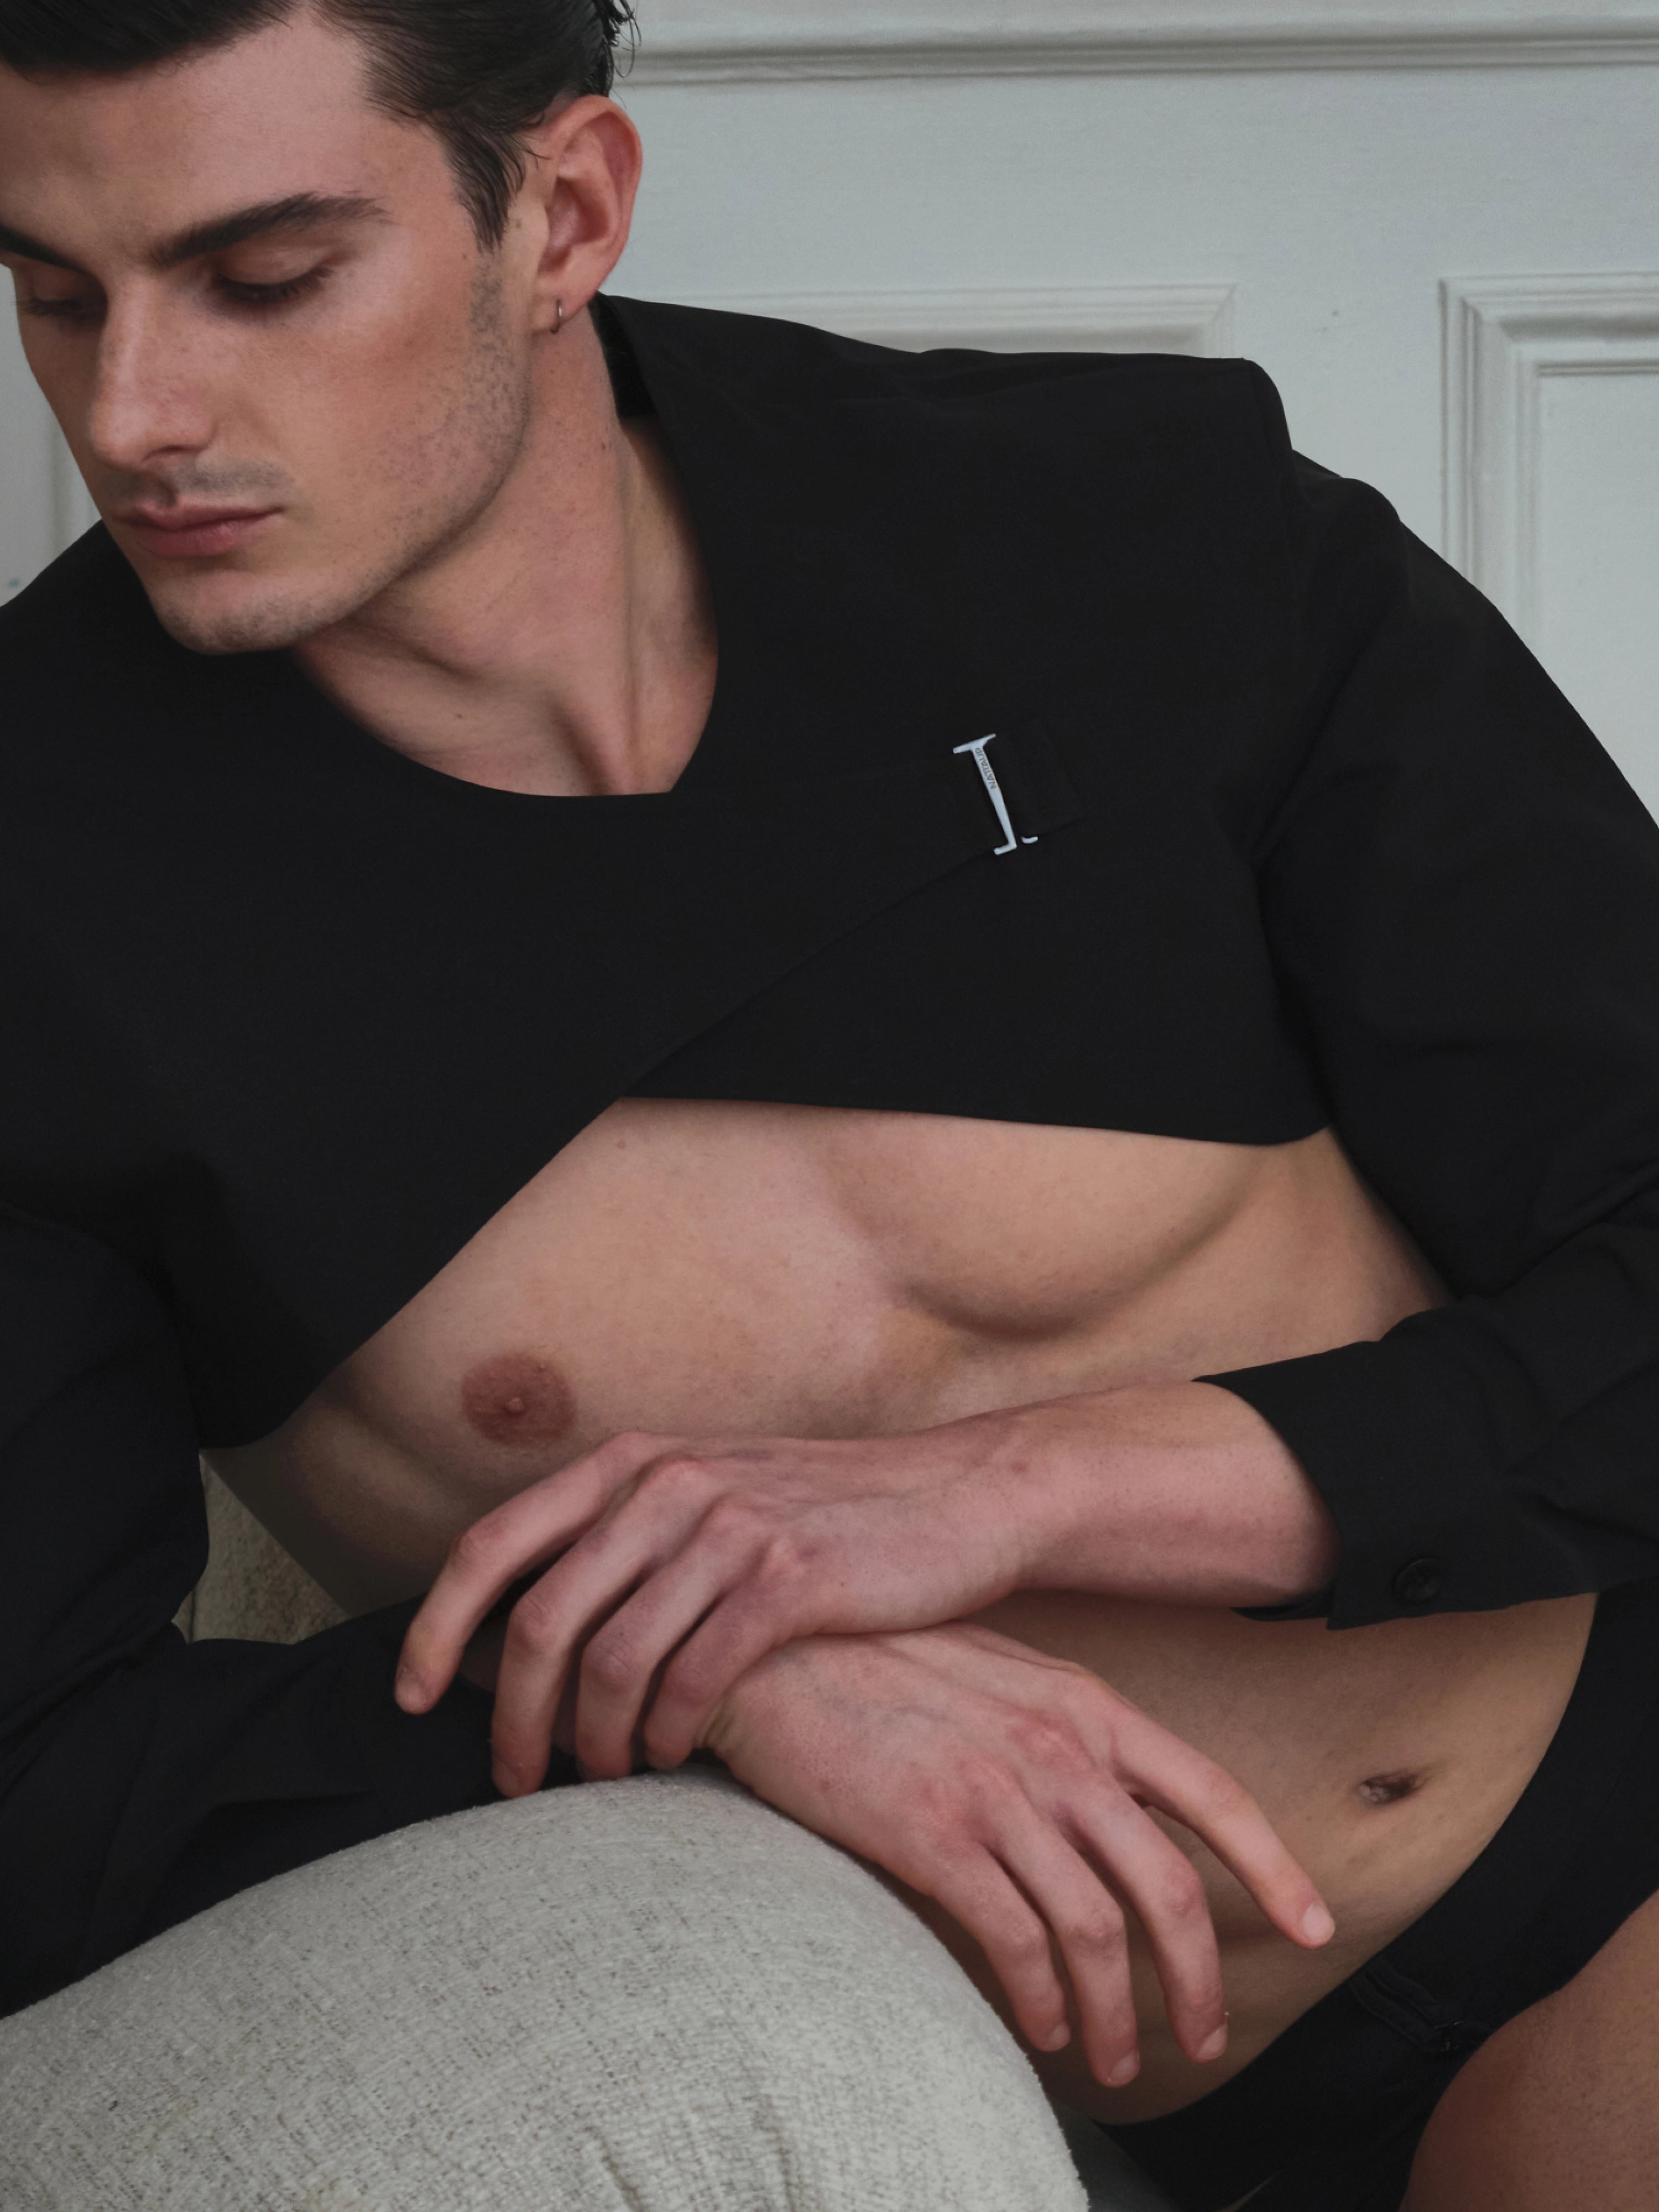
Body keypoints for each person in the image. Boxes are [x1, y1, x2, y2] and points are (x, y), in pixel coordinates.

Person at [2, 3, 1657, 2205]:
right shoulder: (45, 894)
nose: (132, 416)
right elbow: (40, 1781)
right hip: (1074, 2099)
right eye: (50, 292)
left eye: (266, 276)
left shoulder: (1126, 537)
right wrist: (698, 1674)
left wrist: (1021, 1492)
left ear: (563, 215)